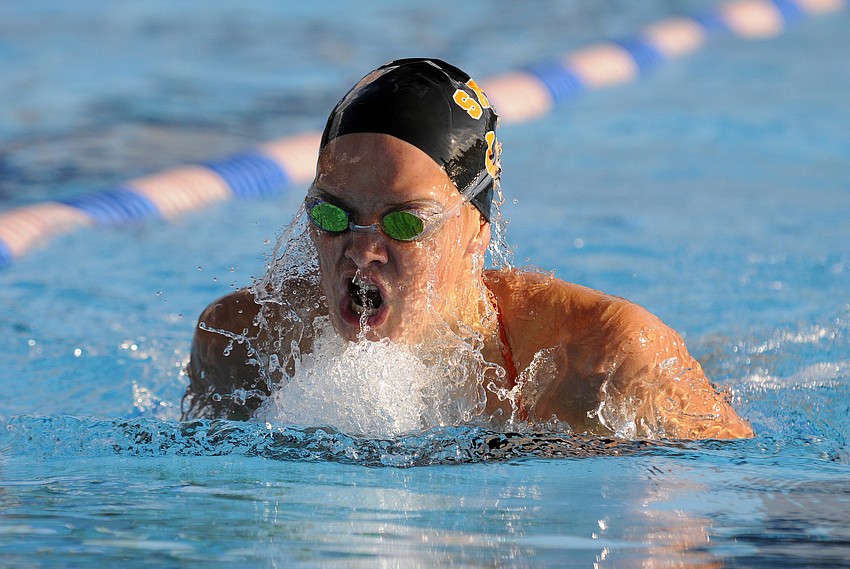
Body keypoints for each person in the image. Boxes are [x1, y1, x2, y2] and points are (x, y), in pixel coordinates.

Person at [182, 58, 753, 439]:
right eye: (335, 215)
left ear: (477, 235)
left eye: (404, 223)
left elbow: (742, 491)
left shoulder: (603, 360)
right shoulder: (241, 342)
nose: (361, 251)